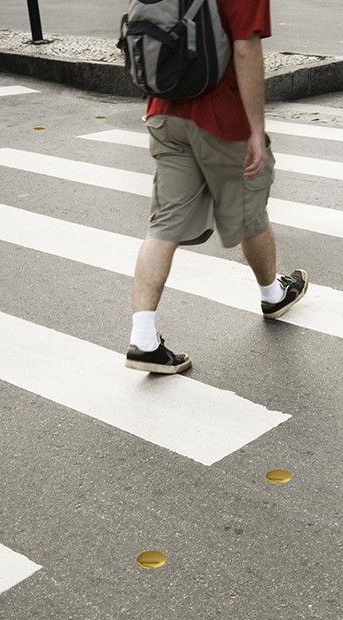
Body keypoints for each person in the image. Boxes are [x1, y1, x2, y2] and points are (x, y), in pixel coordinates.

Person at [125, 0, 308, 374]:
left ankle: (143, 339)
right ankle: (272, 295)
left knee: (164, 225)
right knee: (248, 213)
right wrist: (256, 130)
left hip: (164, 111)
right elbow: (245, 48)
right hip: (221, 120)